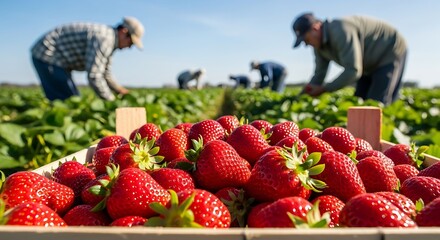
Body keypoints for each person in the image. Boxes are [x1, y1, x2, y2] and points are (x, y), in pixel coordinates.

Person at [292, 12, 407, 105]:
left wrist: (324, 89)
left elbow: (353, 71)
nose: (306, 45)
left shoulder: (340, 30)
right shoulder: (318, 46)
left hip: (389, 50)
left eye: (306, 40)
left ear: (315, 27)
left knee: (377, 103)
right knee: (359, 102)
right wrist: (301, 96)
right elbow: (319, 74)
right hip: (366, 64)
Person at [31, 17, 144, 101]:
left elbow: (105, 73)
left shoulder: (110, 41)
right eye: (131, 43)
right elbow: (94, 75)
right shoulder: (105, 39)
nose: (129, 47)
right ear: (124, 32)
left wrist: (119, 89)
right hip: (47, 54)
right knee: (67, 100)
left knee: (72, 98)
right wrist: (110, 101)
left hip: (58, 60)